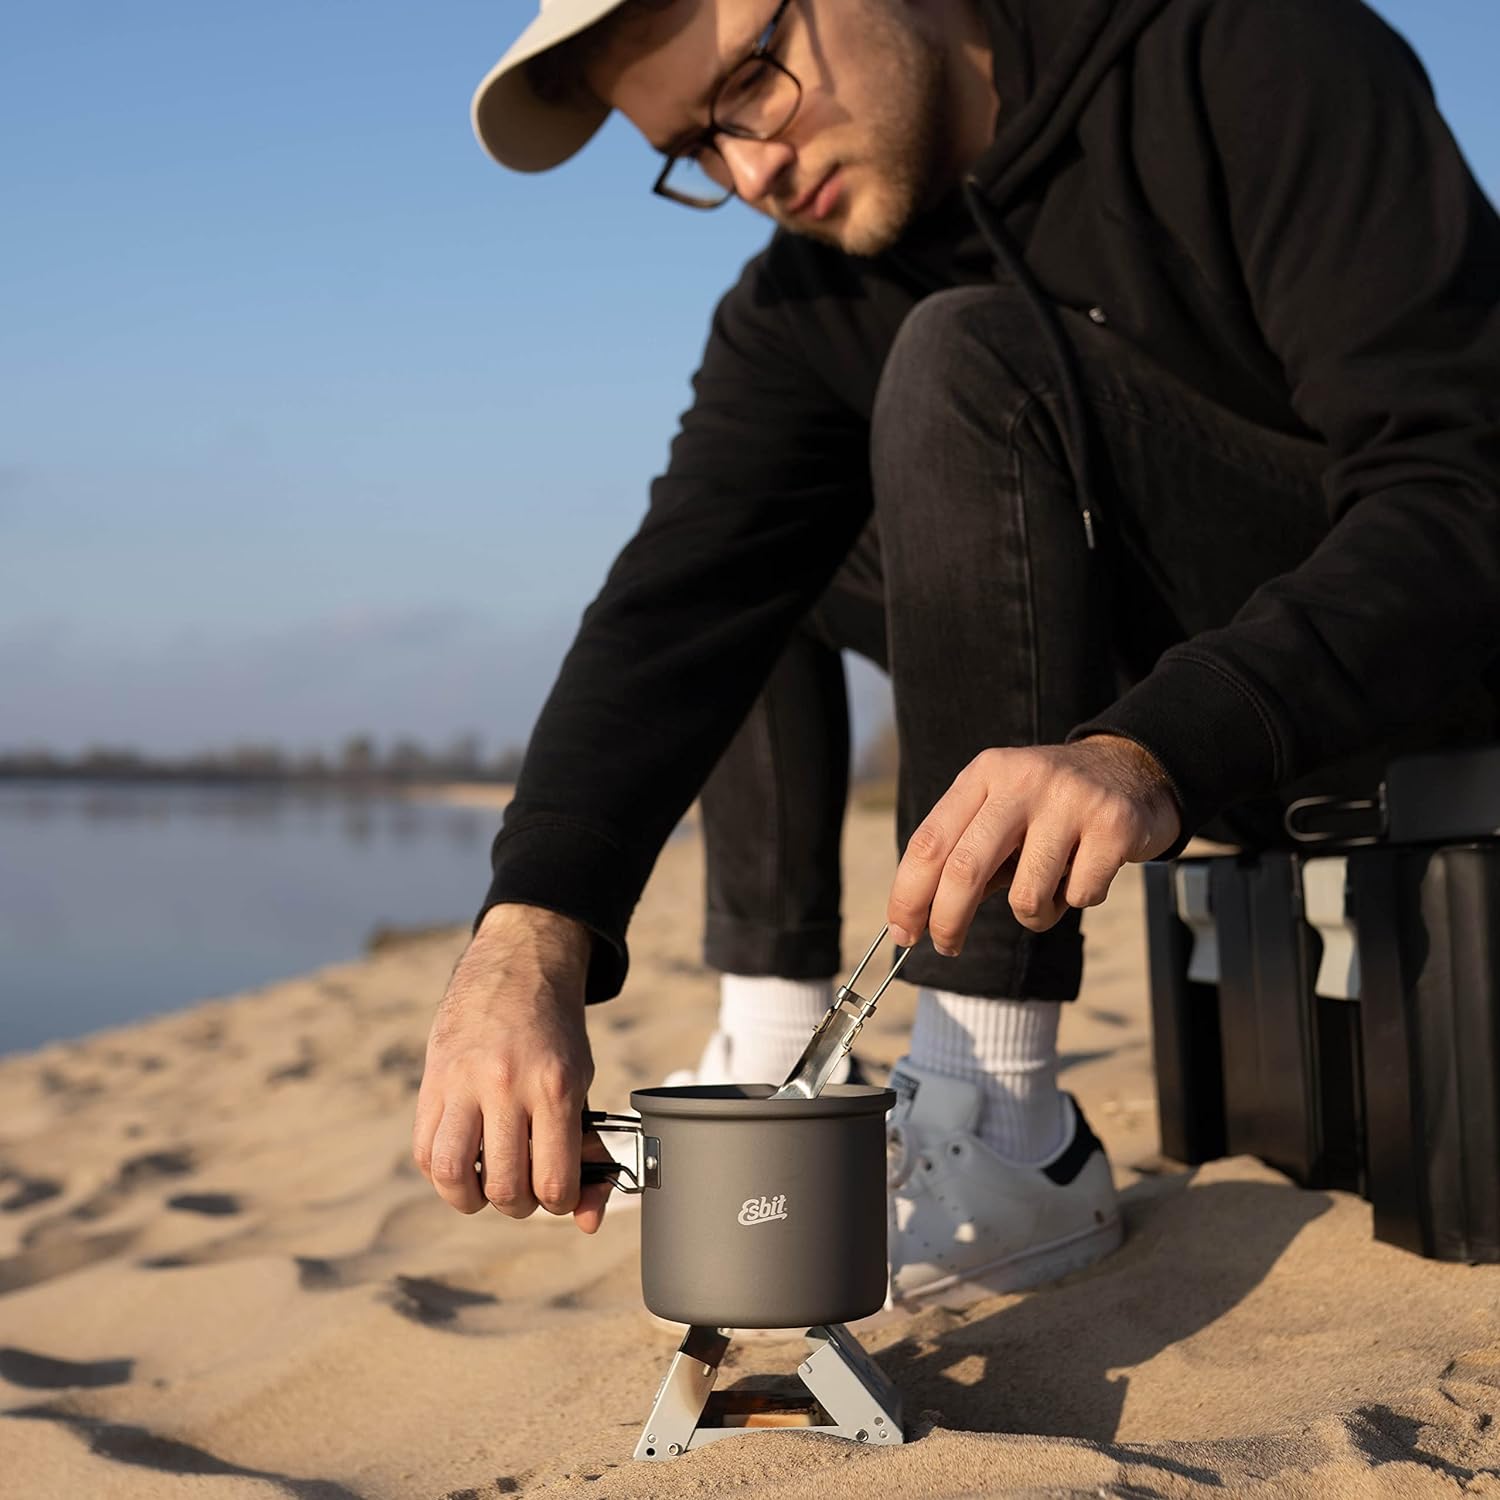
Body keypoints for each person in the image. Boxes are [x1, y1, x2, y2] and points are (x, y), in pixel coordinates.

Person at [413, 0, 1500, 1305]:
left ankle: (1003, 1122)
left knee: (959, 357)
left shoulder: (1249, 49)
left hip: (1417, 672)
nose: (750, 171)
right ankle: (773, 1057)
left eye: (751, 86)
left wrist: (1153, 741)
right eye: (696, 149)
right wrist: (523, 944)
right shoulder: (806, 300)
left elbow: (1464, 487)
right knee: (745, 549)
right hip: (1169, 707)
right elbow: (671, 606)